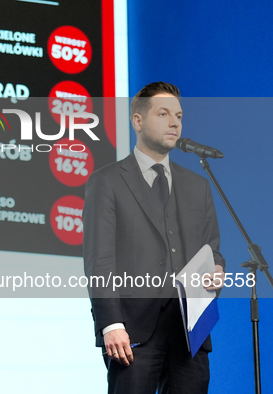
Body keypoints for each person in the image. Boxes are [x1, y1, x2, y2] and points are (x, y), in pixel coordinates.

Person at [83, 82, 225, 394]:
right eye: (163, 113)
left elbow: (212, 249)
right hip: (132, 331)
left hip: (190, 332)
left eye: (179, 115)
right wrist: (111, 324)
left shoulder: (198, 186)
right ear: (138, 121)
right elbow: (99, 260)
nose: (175, 122)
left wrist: (216, 269)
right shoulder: (106, 182)